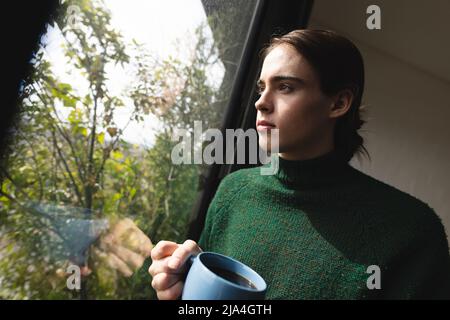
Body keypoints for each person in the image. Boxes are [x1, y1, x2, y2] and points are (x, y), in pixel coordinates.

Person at [148, 29, 450, 299]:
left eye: (286, 87)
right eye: (261, 87)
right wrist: (182, 289)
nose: (261, 102)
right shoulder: (233, 192)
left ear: (338, 103)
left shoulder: (412, 232)